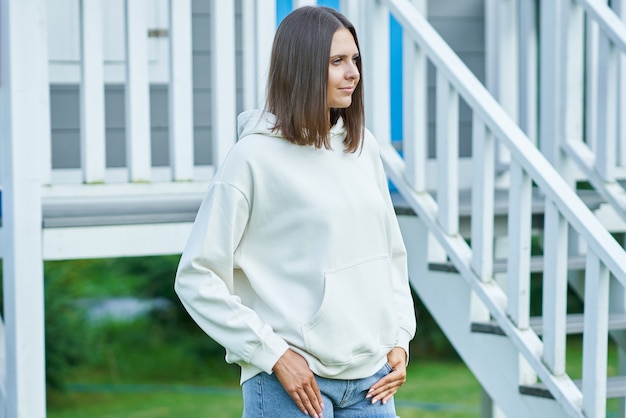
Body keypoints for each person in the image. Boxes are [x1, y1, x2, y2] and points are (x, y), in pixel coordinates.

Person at [174, 5, 416, 417]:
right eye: (337, 61)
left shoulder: (362, 147)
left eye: (355, 60)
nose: (353, 72)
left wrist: (399, 337)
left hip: (373, 381)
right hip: (293, 384)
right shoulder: (253, 158)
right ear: (302, 68)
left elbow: (390, 255)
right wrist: (273, 355)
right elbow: (197, 277)